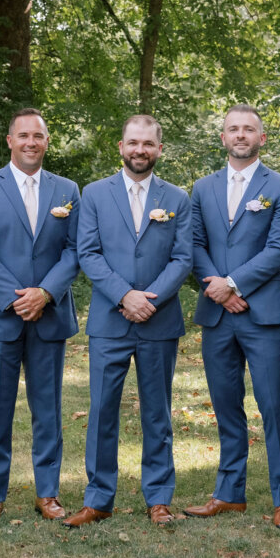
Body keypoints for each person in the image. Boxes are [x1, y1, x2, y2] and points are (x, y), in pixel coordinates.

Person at [63, 114, 192, 528]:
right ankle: (99, 498)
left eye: (148, 144)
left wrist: (148, 299)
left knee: (158, 412)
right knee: (102, 410)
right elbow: (88, 253)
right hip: (109, 320)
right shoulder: (96, 194)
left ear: (159, 149)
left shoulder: (177, 199)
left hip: (158, 318)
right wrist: (124, 295)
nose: (140, 150)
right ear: (120, 147)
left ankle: (158, 498)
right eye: (133, 142)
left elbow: (183, 258)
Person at [183, 105, 280, 528]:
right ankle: (230, 493)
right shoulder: (202, 188)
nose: (241, 135)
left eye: (249, 129)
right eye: (233, 129)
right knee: (226, 406)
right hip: (217, 314)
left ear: (261, 138)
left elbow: (279, 249)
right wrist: (216, 285)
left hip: (261, 313)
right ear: (223, 137)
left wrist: (233, 283)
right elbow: (193, 244)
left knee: (273, 405)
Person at [0, 108, 81, 523]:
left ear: (47, 141)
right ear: (9, 141)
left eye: (39, 135)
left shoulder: (67, 189)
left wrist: (45, 293)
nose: (31, 142)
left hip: (48, 315)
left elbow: (74, 250)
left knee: (47, 408)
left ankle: (47, 493)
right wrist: (17, 298)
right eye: (23, 135)